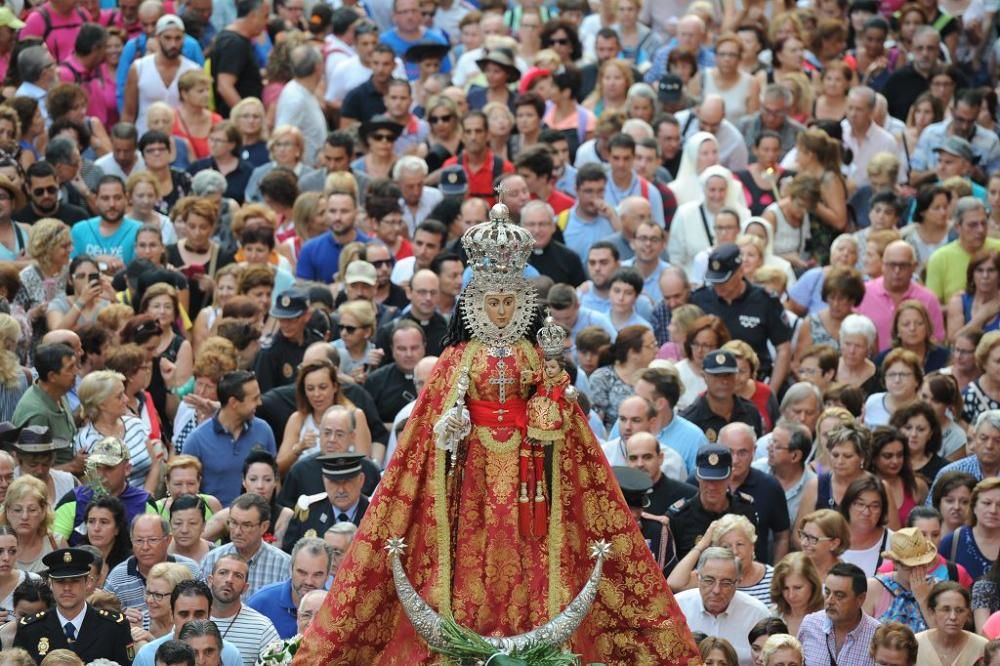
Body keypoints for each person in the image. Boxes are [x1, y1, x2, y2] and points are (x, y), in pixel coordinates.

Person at [292, 192, 700, 663]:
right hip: (468, 480)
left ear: (522, 303)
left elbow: (559, 419)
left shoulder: (534, 355)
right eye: (493, 301)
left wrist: (550, 408)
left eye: (509, 301)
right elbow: (428, 431)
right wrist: (453, 426)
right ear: (476, 303)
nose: (502, 311)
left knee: (533, 560)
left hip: (531, 483)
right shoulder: (454, 360)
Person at [691, 244, 792, 391]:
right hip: (710, 383)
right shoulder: (700, 299)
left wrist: (771, 392)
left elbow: (784, 348)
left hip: (754, 382)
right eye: (714, 281)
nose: (718, 286)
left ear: (740, 272)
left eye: (724, 280)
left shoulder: (765, 300)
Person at [13, 548, 134, 664]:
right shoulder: (30, 629)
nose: (67, 588)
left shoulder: (114, 627)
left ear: (88, 582)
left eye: (74, 581)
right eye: (60, 582)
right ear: (50, 584)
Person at [181, 371, 276, 507]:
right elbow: (186, 492)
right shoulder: (196, 440)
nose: (260, 403)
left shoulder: (264, 431)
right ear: (234, 403)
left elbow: (274, 479)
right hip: (215, 523)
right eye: (254, 399)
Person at [673, 547, 771, 666]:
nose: (716, 590)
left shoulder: (757, 615)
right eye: (709, 580)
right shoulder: (677, 608)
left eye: (726, 583)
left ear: (738, 582)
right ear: (698, 578)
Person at [130, 580, 243, 666]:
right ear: (171, 615)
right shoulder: (147, 655)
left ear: (209, 615)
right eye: (184, 614)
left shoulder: (230, 654)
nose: (191, 620)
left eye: (199, 614)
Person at [121, 15, 200, 137]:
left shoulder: (193, 70)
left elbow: (198, 111)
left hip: (181, 139)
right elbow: (128, 113)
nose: (173, 44)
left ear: (183, 39)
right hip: (144, 139)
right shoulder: (139, 68)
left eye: (177, 38)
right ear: (158, 38)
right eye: (167, 38)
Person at [103, 513, 199, 612]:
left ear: (168, 540)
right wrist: (123, 619)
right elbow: (103, 615)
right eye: (139, 540)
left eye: (152, 540)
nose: (145, 547)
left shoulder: (190, 570)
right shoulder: (117, 577)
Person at [200, 494, 290, 598]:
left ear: (264, 527)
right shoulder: (212, 559)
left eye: (247, 525)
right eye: (233, 523)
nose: (237, 531)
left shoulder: (283, 565)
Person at [246, 537, 333, 640]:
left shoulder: (335, 608)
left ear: (328, 575)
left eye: (317, 575)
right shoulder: (261, 603)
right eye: (302, 572)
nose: (309, 581)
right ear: (290, 569)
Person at [796, 562, 881, 666]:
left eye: (839, 595)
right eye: (827, 592)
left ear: (860, 599)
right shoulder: (810, 624)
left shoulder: (877, 636)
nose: (830, 601)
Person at [205, 554, 279, 666]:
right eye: (223, 572)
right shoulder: (191, 617)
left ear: (245, 588)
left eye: (237, 576)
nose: (229, 580)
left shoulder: (262, 628)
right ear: (210, 580)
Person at [927, 197, 1000, 305]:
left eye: (983, 223)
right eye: (972, 225)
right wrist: (961, 306)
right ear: (957, 227)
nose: (980, 230)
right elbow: (933, 310)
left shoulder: (998, 249)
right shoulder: (940, 258)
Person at [210, 0, 269, 119]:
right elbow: (225, 86)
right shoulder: (234, 43)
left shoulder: (238, 40)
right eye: (265, 16)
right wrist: (246, 117)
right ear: (253, 15)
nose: (267, 22)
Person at [915, 581, 987, 666]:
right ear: (932, 612)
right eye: (946, 609)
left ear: (967, 613)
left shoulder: (982, 647)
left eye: (960, 610)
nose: (953, 617)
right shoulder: (916, 644)